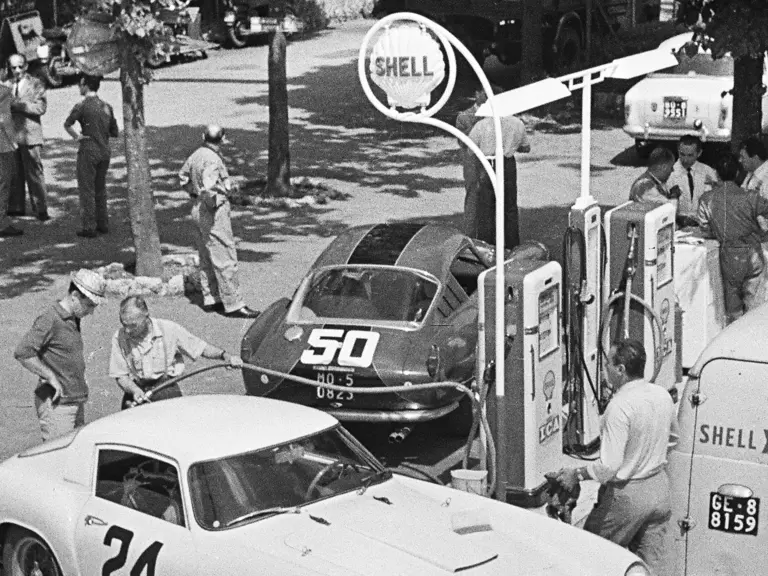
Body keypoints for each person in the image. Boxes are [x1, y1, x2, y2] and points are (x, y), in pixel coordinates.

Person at [555, 340, 679, 575]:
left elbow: (609, 467)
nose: (604, 370)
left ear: (621, 370)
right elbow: (673, 439)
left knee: (591, 557)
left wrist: (577, 474)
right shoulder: (662, 395)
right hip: (660, 489)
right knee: (649, 566)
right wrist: (648, 455)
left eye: (607, 365)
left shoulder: (619, 407)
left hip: (628, 496)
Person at [14, 269, 106, 441]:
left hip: (74, 399)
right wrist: (49, 376)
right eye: (89, 305)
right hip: (57, 403)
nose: (91, 312)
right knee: (57, 459)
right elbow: (23, 352)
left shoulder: (73, 318)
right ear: (75, 296)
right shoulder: (50, 319)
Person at [179, 124, 260, 318]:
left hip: (198, 207)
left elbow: (183, 177)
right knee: (224, 256)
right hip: (212, 211)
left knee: (206, 254)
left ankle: (211, 297)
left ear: (203, 136)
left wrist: (194, 193)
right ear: (222, 139)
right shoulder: (212, 159)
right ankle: (234, 303)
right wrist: (213, 202)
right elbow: (210, 188)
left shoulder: (196, 155)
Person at [109, 295, 245, 410]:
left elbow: (201, 347)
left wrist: (225, 356)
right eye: (123, 324)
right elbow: (121, 376)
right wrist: (134, 390)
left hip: (165, 389)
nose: (127, 330)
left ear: (146, 317)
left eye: (132, 325)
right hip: (136, 390)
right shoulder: (119, 336)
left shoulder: (169, 329)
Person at [697, 152, 768, 323]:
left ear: (717, 175)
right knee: (754, 303)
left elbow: (704, 229)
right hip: (754, 253)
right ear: (737, 174)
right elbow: (765, 223)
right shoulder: (752, 197)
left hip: (730, 255)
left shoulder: (707, 199)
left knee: (733, 306)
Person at [463, 107, 530, 248]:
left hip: (488, 164)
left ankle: (487, 245)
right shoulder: (517, 123)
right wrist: (510, 145)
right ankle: (511, 244)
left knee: (486, 206)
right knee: (510, 205)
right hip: (507, 164)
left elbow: (470, 148)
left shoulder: (482, 125)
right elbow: (526, 147)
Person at [63, 74, 119, 238]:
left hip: (88, 150)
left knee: (87, 190)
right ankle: (103, 223)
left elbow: (67, 124)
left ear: (85, 85)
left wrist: (77, 136)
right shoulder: (106, 106)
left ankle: (89, 226)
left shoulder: (81, 106)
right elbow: (114, 131)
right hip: (104, 150)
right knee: (100, 188)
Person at [5, 54, 49, 221]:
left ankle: (40, 208)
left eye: (19, 67)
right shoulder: (7, 85)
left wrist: (19, 105)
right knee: (15, 172)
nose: (17, 71)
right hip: (12, 136)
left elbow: (41, 108)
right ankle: (16, 207)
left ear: (26, 67)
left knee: (34, 173)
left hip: (31, 135)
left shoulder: (36, 84)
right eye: (13, 67)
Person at [666, 135, 718, 227]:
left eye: (690, 155)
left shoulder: (708, 172)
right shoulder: (670, 173)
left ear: (699, 153)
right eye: (682, 154)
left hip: (702, 224)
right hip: (678, 224)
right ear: (678, 151)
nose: (685, 159)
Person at [0, 81, 21, 237]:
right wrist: (13, 141)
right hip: (2, 145)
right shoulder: (4, 92)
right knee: (3, 184)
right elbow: (5, 119)